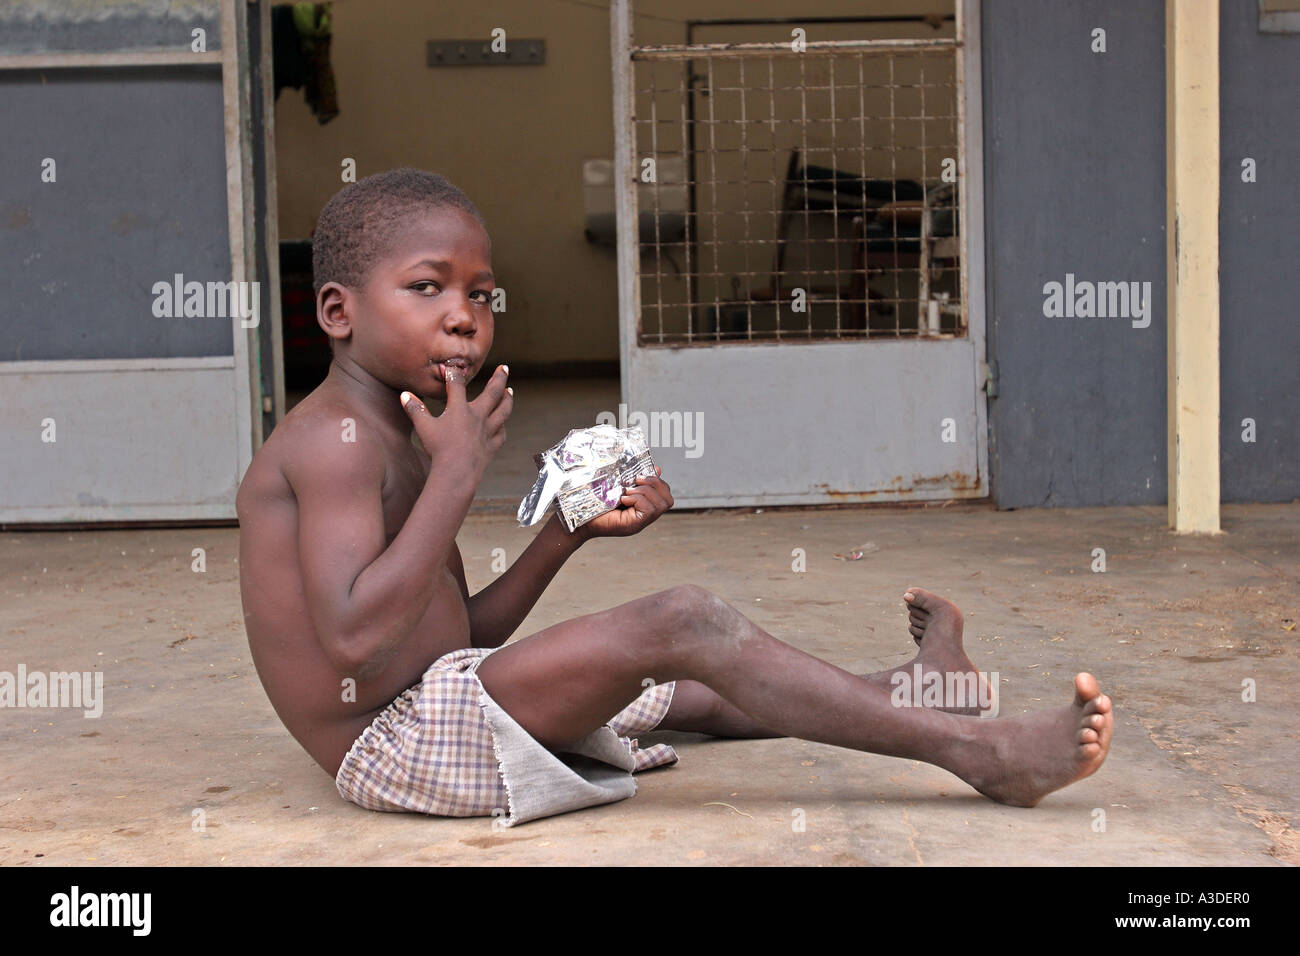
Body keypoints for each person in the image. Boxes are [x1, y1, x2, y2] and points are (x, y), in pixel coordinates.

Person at [236, 168, 1112, 827]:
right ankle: (983, 753)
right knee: (684, 621)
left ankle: (917, 691)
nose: (464, 315)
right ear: (338, 312)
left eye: (479, 293)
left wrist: (563, 536)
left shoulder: (405, 426)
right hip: (390, 748)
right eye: (427, 287)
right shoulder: (330, 444)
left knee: (678, 685)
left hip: (437, 698)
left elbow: (452, 638)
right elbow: (358, 641)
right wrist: (459, 477)